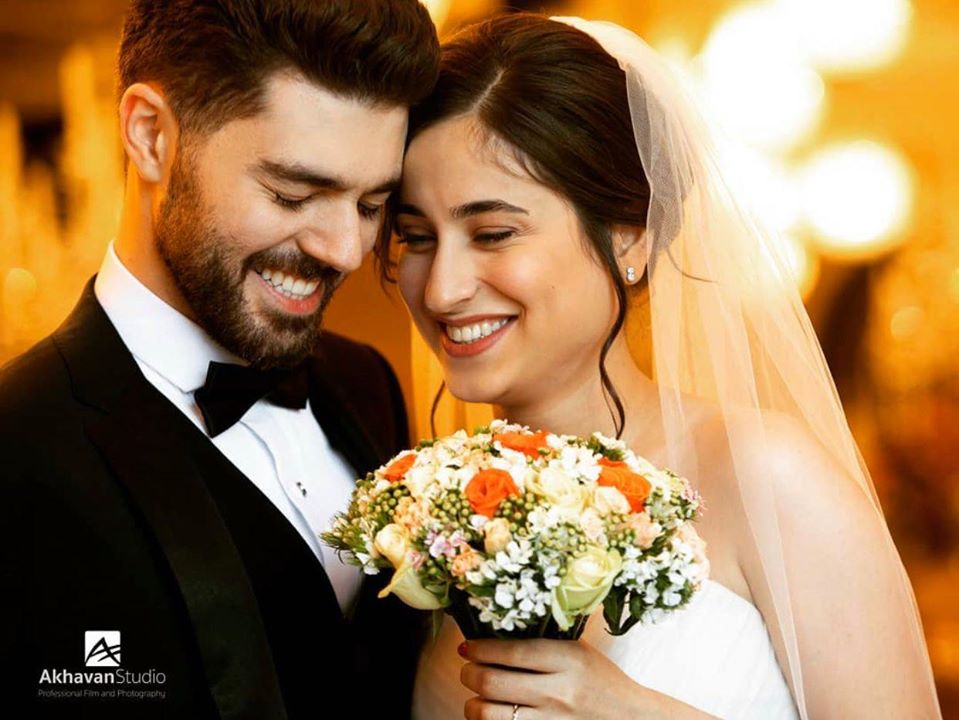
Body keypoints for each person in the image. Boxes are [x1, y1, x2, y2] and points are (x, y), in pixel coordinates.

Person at [386, 13, 943, 720]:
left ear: (630, 237)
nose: (440, 289)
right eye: (414, 238)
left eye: (492, 233)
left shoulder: (764, 475)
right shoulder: (431, 525)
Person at [0, 1, 438, 718]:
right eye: (293, 192)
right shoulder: (17, 447)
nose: (345, 250)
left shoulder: (368, 384)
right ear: (151, 137)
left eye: (370, 205)